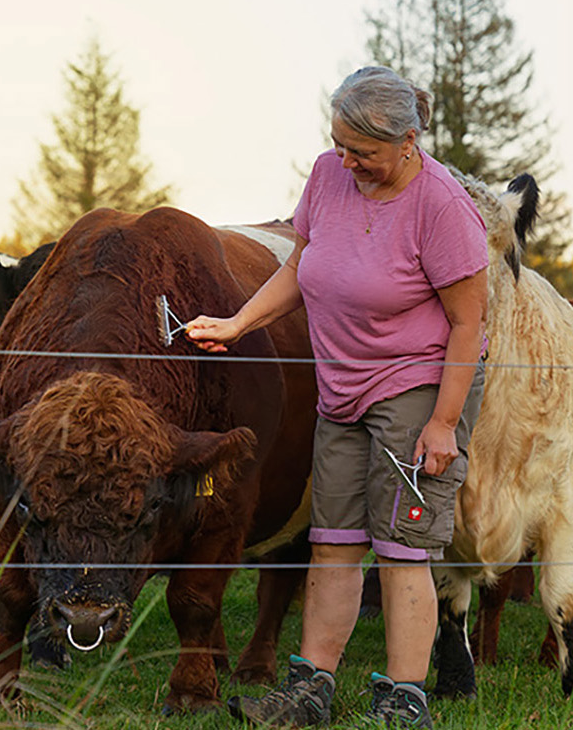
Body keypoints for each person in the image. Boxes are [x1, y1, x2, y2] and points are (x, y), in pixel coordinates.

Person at [189, 65, 491, 729]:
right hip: (342, 387)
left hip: (417, 387)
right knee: (331, 542)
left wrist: (444, 422)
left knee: (402, 549)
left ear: (409, 140)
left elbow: (469, 323)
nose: (347, 161)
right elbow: (302, 263)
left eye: (365, 152)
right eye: (340, 144)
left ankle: (402, 703)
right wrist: (238, 323)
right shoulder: (328, 175)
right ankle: (309, 691)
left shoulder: (442, 207)